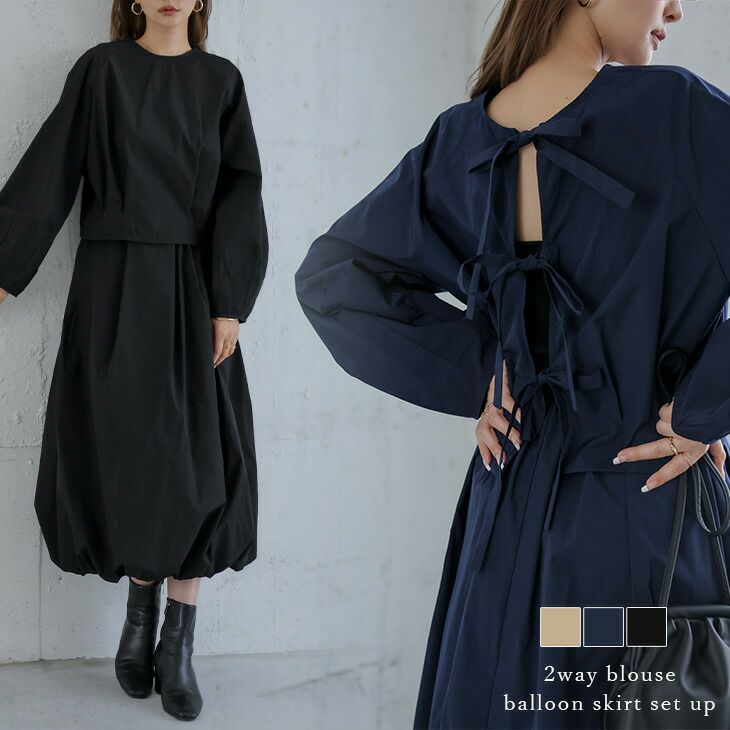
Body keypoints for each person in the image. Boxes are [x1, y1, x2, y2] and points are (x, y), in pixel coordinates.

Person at [294, 0, 730, 727]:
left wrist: (483, 377)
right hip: (643, 515)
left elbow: (333, 280)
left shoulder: (459, 139)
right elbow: (334, 280)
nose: (677, 9)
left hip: (504, 521)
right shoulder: (680, 113)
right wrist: (704, 407)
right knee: (633, 695)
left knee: (509, 689)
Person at [0, 0, 267, 721]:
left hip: (194, 290)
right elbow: (52, 166)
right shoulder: (102, 71)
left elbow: (240, 192)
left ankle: (178, 643)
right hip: (112, 286)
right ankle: (138, 623)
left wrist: (229, 302)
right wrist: (4, 266)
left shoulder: (222, 81)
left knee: (197, 462)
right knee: (129, 452)